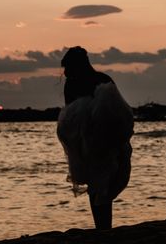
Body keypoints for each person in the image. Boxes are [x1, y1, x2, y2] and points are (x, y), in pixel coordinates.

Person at [56, 46, 134, 230]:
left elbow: (115, 112)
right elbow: (71, 116)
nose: (65, 73)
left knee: (102, 182)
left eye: (68, 67)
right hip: (89, 142)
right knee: (98, 182)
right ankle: (103, 227)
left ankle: (103, 227)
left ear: (79, 65)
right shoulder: (83, 83)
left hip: (104, 140)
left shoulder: (101, 81)